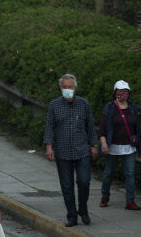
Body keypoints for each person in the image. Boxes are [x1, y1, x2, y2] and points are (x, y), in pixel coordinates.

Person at [43, 73, 98, 226]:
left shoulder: (83, 104)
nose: (67, 89)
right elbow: (50, 127)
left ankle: (83, 209)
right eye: (64, 87)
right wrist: (49, 147)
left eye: (70, 87)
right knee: (67, 185)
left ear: (75, 88)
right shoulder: (54, 105)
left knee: (84, 181)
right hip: (63, 152)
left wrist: (93, 145)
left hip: (81, 150)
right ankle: (72, 215)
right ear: (61, 88)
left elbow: (90, 126)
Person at [98, 80, 139, 209]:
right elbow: (103, 128)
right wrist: (104, 143)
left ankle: (130, 201)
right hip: (113, 146)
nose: (122, 94)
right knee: (108, 174)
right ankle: (105, 196)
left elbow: (136, 127)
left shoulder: (133, 108)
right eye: (120, 92)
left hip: (129, 147)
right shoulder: (110, 108)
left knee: (130, 174)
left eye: (125, 92)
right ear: (115, 93)